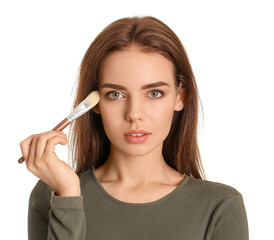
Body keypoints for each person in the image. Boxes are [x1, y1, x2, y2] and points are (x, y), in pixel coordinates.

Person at [20, 16, 249, 240]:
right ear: (96, 103)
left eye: (154, 93)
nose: (134, 114)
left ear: (180, 97)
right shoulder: (53, 194)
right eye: (116, 94)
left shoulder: (220, 206)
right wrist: (68, 197)